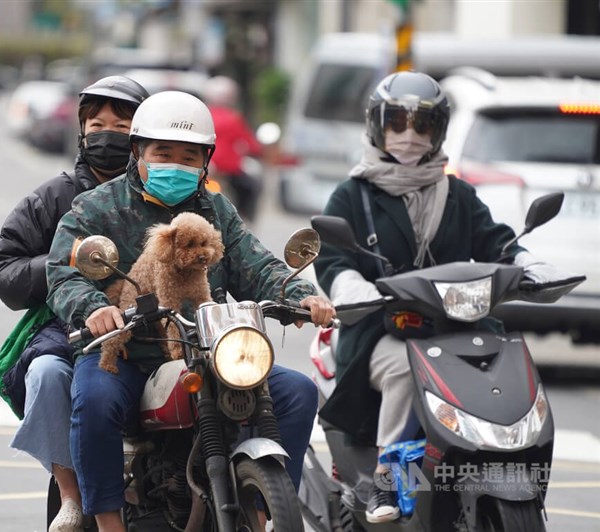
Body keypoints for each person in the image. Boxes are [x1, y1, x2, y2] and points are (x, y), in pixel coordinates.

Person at [45, 90, 335, 532]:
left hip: (207, 349)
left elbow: (256, 264)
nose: (176, 165)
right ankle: (107, 522)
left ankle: (266, 510)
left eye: (189, 156)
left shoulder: (215, 209)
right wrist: (93, 309)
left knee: (296, 391)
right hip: (128, 353)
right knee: (95, 401)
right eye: (164, 152)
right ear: (138, 151)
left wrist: (301, 295)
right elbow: (63, 275)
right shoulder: (95, 207)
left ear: (205, 162)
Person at [313, 71, 577, 524]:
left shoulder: (456, 192)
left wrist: (529, 263)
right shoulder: (351, 195)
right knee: (404, 369)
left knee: (510, 361)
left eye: (423, 125)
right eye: (397, 122)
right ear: (377, 126)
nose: (410, 135)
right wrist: (351, 286)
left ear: (439, 131)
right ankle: (388, 479)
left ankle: (507, 458)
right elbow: (334, 260)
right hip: (382, 329)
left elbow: (498, 243)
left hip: (461, 325)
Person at [0, 75, 150, 532]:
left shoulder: (173, 195)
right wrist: (68, 263)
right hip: (74, 333)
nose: (107, 134)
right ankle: (72, 497)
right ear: (81, 131)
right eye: (97, 124)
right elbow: (2, 270)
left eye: (122, 125)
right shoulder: (55, 198)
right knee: (46, 371)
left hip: (157, 332)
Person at [202, 75, 263, 223]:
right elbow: (251, 144)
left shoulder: (203, 115)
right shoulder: (234, 118)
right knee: (250, 187)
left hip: (203, 167)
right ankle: (244, 217)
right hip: (229, 171)